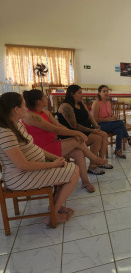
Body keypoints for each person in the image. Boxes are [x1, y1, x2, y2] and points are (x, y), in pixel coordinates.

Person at [0, 92, 79, 226]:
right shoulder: (5, 133)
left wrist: (54, 158)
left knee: (65, 166)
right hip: (19, 177)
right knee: (74, 172)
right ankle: (53, 214)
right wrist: (52, 165)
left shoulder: (16, 124)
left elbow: (32, 146)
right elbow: (22, 165)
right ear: (16, 109)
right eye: (24, 105)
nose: (26, 108)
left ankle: (56, 206)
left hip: (30, 169)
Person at [22, 89, 108, 193]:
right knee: (77, 141)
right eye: (44, 97)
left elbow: (59, 126)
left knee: (79, 153)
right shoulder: (31, 116)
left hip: (53, 144)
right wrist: (77, 133)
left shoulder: (44, 112)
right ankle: (94, 159)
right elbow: (55, 130)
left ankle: (85, 181)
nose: (47, 99)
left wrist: (74, 134)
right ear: (38, 101)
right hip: (42, 150)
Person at [57, 85, 113, 174]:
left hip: (85, 130)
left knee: (104, 134)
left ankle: (100, 161)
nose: (81, 95)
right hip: (72, 134)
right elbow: (74, 125)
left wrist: (96, 126)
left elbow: (89, 116)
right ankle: (93, 166)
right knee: (97, 138)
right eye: (79, 93)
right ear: (72, 94)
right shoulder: (66, 106)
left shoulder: (80, 103)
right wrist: (92, 130)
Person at [91, 85, 131, 159]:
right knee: (121, 123)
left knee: (119, 130)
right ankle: (129, 139)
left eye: (107, 91)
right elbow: (94, 119)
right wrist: (110, 119)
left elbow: (109, 115)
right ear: (99, 93)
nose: (106, 92)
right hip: (99, 126)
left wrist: (113, 117)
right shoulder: (96, 103)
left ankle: (117, 150)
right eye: (104, 91)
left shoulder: (108, 102)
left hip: (108, 124)